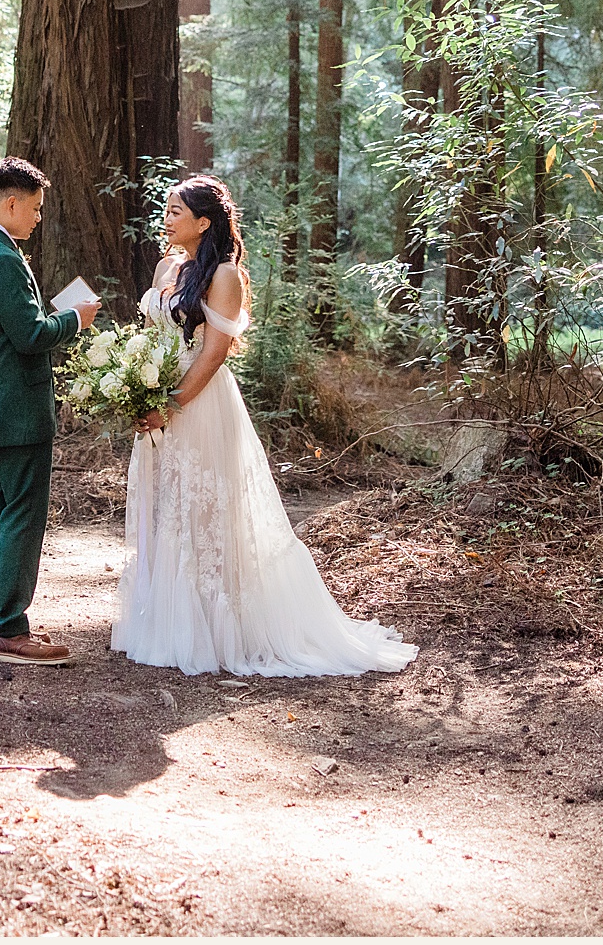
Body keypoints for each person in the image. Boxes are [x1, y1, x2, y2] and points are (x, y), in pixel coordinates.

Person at [113, 174, 418, 678]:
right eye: (165, 210)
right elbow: (152, 337)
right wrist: (134, 388)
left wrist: (171, 404)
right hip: (159, 398)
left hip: (200, 404)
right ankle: (167, 619)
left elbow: (214, 353)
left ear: (203, 222)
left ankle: (217, 626)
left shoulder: (225, 276)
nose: (165, 219)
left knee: (207, 510)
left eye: (175, 211)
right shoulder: (168, 265)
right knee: (165, 504)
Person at [0, 157, 100, 665]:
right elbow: (32, 335)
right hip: (14, 409)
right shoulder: (0, 258)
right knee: (22, 512)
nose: (38, 217)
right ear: (11, 203)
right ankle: (8, 630)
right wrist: (75, 320)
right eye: (35, 208)